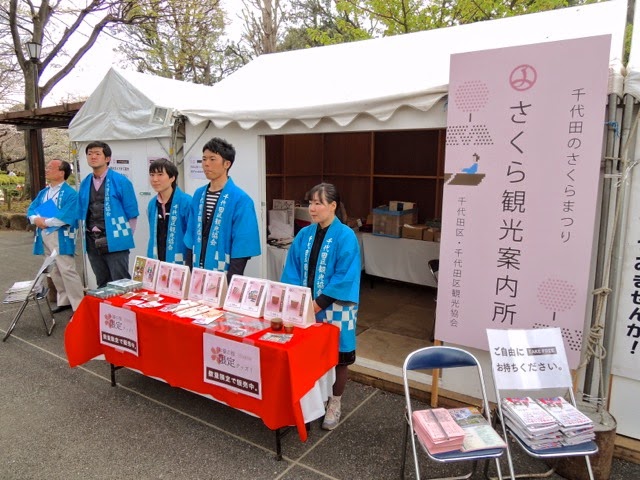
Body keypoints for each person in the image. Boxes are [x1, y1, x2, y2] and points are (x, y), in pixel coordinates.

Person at [280, 183, 361, 430]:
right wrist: (297, 300)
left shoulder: (346, 235)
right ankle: (310, 402)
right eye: (310, 203)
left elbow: (344, 275)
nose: (312, 209)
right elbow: (291, 271)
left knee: (338, 357)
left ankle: (335, 403)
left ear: (333, 206)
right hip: (307, 307)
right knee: (309, 354)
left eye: (318, 203)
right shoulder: (304, 234)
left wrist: (317, 304)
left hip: (337, 308)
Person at [184, 137, 260, 281]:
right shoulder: (198, 194)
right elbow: (190, 236)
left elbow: (242, 245)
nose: (206, 164)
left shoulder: (241, 200)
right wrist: (188, 272)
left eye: (212, 159)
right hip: (197, 272)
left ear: (227, 164)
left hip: (224, 274)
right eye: (204, 159)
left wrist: (230, 281)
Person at [78, 141, 139, 287]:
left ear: (107, 158)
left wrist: (124, 237)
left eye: (97, 154)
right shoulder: (85, 182)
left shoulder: (121, 181)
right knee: (102, 282)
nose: (93, 157)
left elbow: (132, 213)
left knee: (121, 282)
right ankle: (107, 311)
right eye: (90, 154)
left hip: (115, 239)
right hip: (92, 239)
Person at [27, 159, 84, 313]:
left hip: (60, 235)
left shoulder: (70, 193)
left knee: (67, 269)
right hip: (44, 234)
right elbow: (32, 208)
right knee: (53, 270)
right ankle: (64, 299)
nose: (47, 170)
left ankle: (79, 305)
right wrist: (35, 219)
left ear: (61, 172)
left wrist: (46, 222)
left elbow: (67, 215)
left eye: (51, 167)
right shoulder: (44, 192)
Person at [146, 158, 192, 265]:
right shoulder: (152, 204)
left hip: (181, 261)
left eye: (160, 174)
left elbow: (192, 235)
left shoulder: (186, 202)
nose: (155, 179)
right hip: (158, 259)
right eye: (152, 175)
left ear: (172, 178)